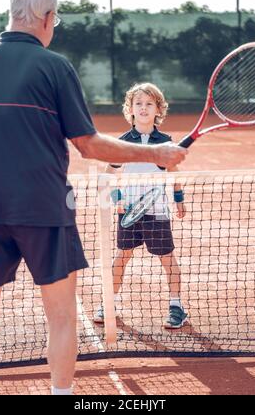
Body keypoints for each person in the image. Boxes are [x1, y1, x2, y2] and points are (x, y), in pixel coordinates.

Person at [0, 0, 187, 396]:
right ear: (49, 18)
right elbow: (88, 144)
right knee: (62, 316)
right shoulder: (54, 66)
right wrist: (157, 153)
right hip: (44, 211)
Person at [94, 83, 188, 329]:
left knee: (167, 259)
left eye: (149, 104)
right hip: (130, 213)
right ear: (130, 110)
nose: (144, 108)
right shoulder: (122, 143)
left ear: (158, 109)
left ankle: (177, 306)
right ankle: (110, 303)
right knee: (121, 257)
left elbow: (175, 173)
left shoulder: (166, 143)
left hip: (157, 213)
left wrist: (179, 198)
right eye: (139, 103)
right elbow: (108, 175)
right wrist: (118, 200)